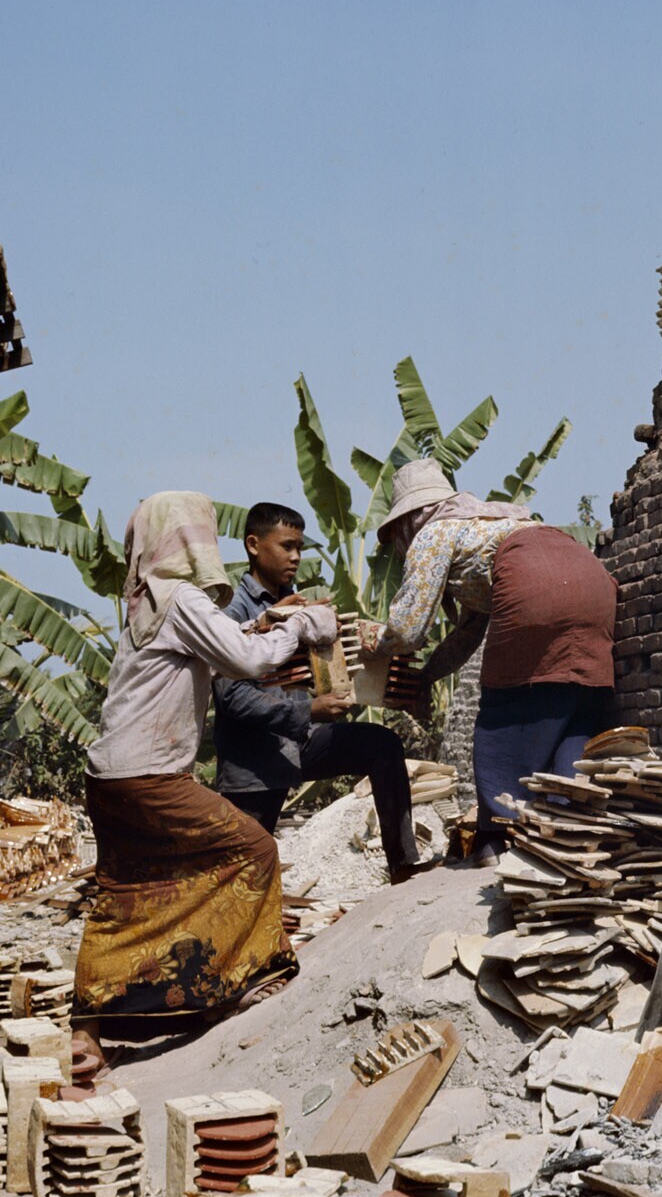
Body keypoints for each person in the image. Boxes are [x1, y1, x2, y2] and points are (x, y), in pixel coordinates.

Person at [71, 491, 337, 1075]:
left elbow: (218, 644)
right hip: (151, 775)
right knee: (255, 850)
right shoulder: (181, 598)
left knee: (121, 895)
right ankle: (242, 980)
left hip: (108, 777)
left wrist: (264, 622)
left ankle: (87, 1036)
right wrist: (301, 625)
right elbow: (248, 660)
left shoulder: (145, 602)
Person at [366, 459, 618, 866]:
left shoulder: (434, 532)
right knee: (573, 700)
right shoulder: (488, 528)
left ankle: (496, 837)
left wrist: (373, 644)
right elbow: (467, 634)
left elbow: (408, 629)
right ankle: (568, 827)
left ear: (409, 519)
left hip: (532, 581)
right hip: (592, 579)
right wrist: (427, 677)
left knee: (505, 706)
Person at [212, 501, 424, 880]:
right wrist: (309, 711)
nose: (296, 557)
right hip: (254, 764)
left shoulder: (299, 605)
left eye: (299, 548)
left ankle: (404, 866)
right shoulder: (233, 613)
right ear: (253, 545)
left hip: (301, 744)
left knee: (383, 745)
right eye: (286, 546)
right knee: (241, 874)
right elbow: (232, 697)